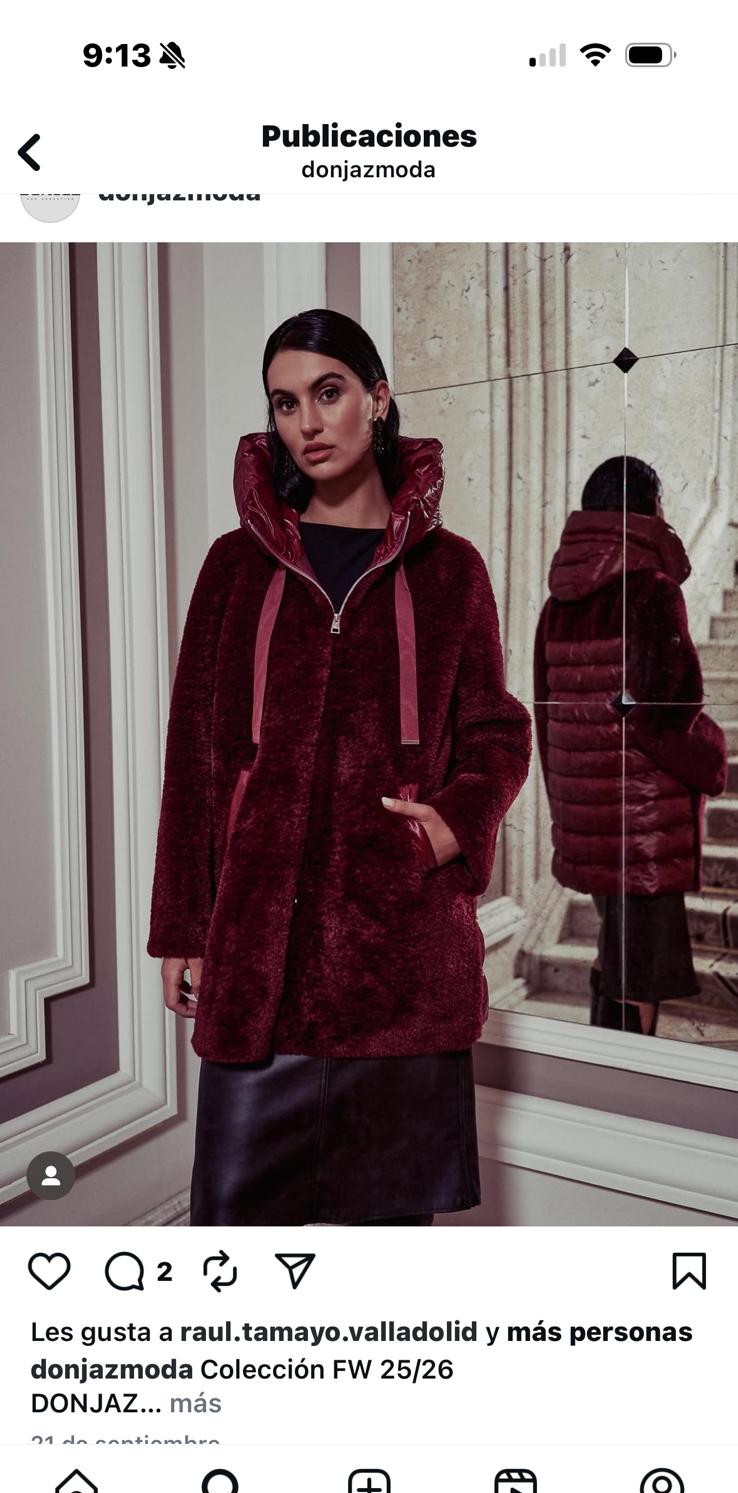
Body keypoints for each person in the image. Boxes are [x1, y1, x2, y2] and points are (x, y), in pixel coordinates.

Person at [147, 308, 531, 1225]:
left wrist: (452, 825)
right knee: (237, 1238)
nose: (308, 423)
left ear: (378, 399)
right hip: (259, 965)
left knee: (384, 1253)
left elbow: (498, 731)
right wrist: (182, 926)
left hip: (400, 969)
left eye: (328, 393)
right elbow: (194, 759)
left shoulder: (451, 572)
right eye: (285, 404)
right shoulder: (234, 568)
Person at [534, 455, 727, 1036]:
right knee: (639, 973)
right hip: (643, 829)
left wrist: (569, 805)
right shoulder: (652, 590)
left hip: (588, 821)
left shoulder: (557, 606)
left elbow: (547, 717)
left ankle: (600, 1073)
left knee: (614, 954)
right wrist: (711, 753)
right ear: (648, 510)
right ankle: (622, 1079)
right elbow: (670, 712)